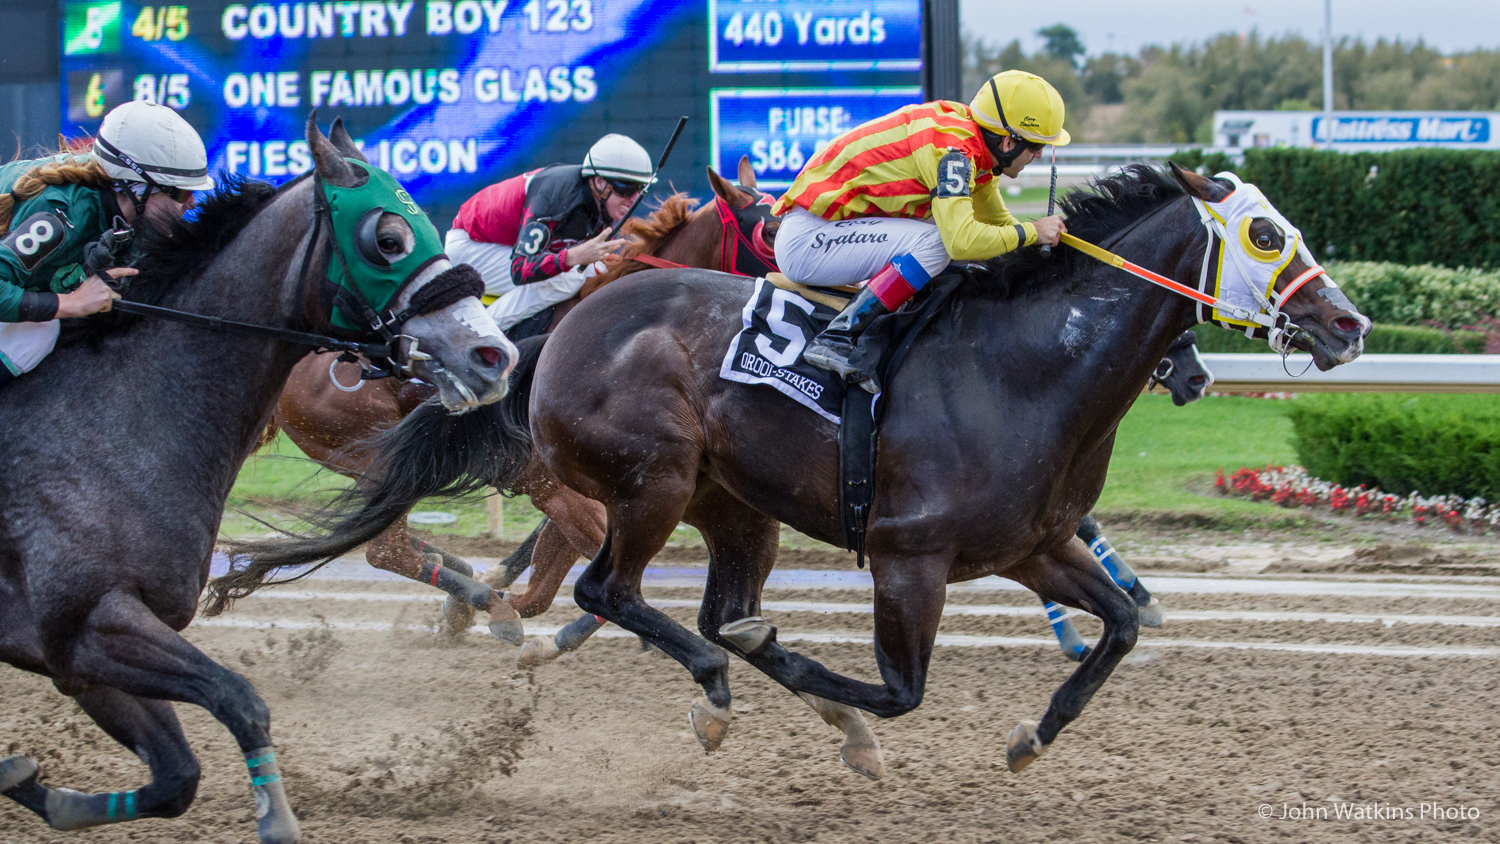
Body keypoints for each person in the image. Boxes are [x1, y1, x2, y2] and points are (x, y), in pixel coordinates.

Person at [771, 70, 1072, 389]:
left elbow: (1001, 227)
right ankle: (838, 337)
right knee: (940, 240)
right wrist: (1033, 232)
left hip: (832, 232)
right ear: (1008, 142)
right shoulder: (954, 153)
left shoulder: (975, 152)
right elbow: (962, 242)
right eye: (1036, 145)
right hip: (809, 242)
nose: (1039, 155)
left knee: (946, 232)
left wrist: (1052, 244)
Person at [0, 100, 212, 386]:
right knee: (37, 335)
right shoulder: (61, 215)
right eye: (181, 193)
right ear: (137, 188)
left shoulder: (126, 209)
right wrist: (73, 303)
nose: (192, 203)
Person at [444, 134, 654, 336]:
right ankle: (472, 335)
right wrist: (573, 256)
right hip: (471, 248)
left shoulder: (601, 202)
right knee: (569, 277)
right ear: (599, 181)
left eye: (641, 190)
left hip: (502, 248)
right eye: (627, 188)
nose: (633, 199)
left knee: (595, 269)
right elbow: (521, 269)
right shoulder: (556, 195)